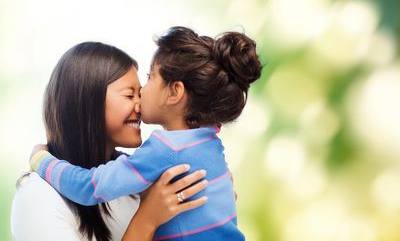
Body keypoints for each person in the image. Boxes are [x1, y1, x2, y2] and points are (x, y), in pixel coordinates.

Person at [30, 26, 262, 240]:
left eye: (150, 78)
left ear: (175, 92)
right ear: (87, 102)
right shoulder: (209, 141)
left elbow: (90, 186)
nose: (140, 97)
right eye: (129, 95)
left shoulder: (165, 148)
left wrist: (42, 161)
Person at [11, 41, 208, 241]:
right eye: (129, 95)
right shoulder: (37, 197)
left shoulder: (137, 186)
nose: (141, 106)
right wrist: (147, 220)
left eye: (140, 94)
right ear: (88, 102)